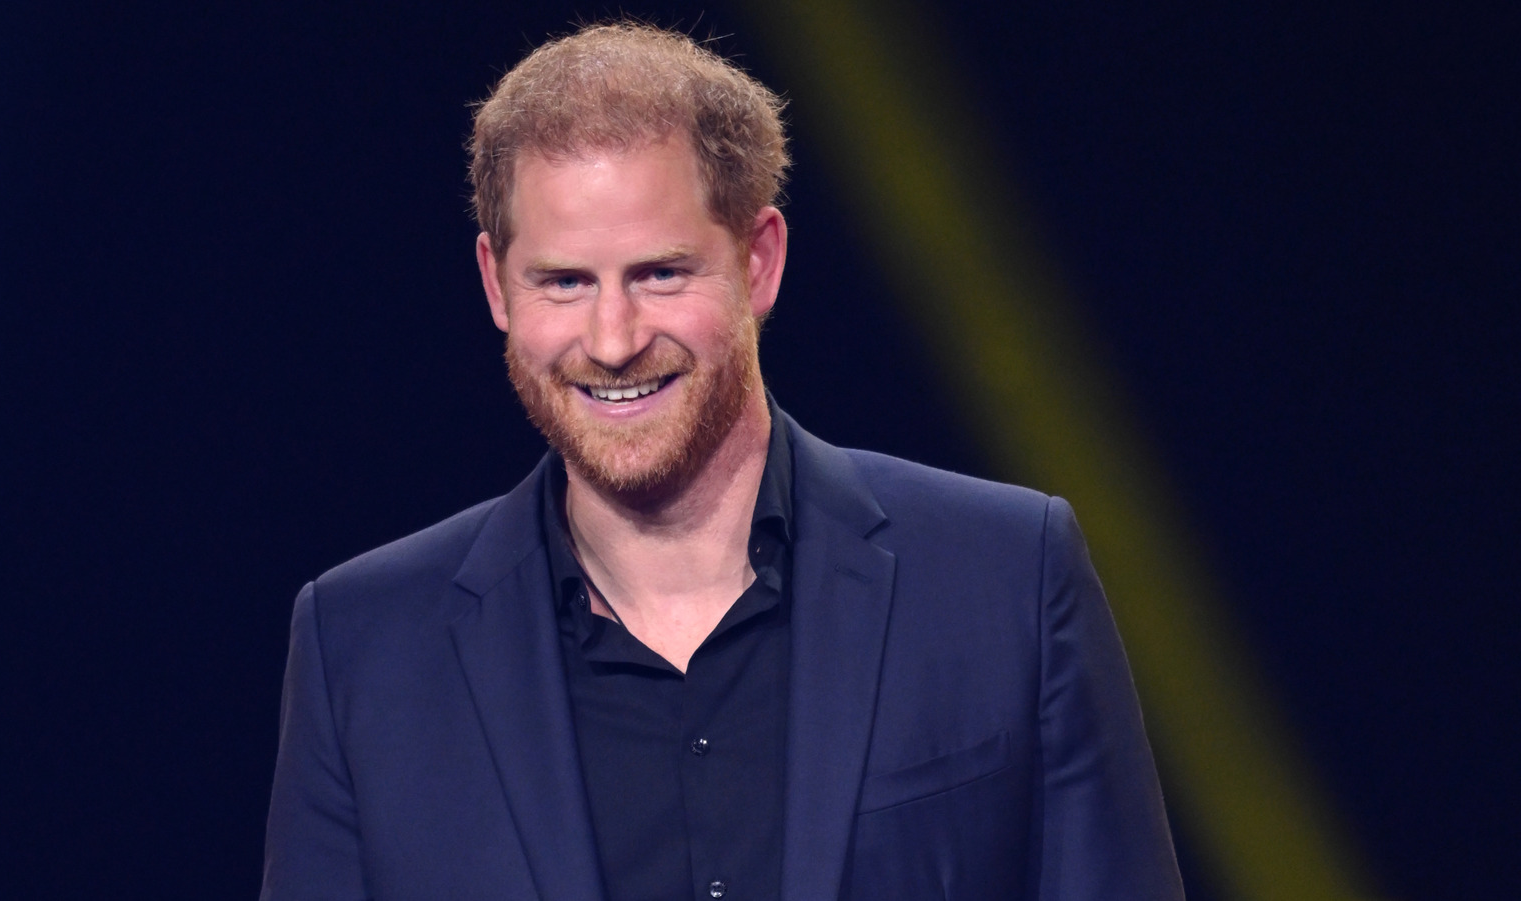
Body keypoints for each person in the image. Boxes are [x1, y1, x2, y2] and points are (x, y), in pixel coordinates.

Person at [261, 22, 1183, 901]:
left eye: (660, 273)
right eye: (564, 282)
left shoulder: (1006, 576)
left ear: (760, 261)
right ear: (496, 285)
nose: (613, 339)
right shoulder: (364, 651)